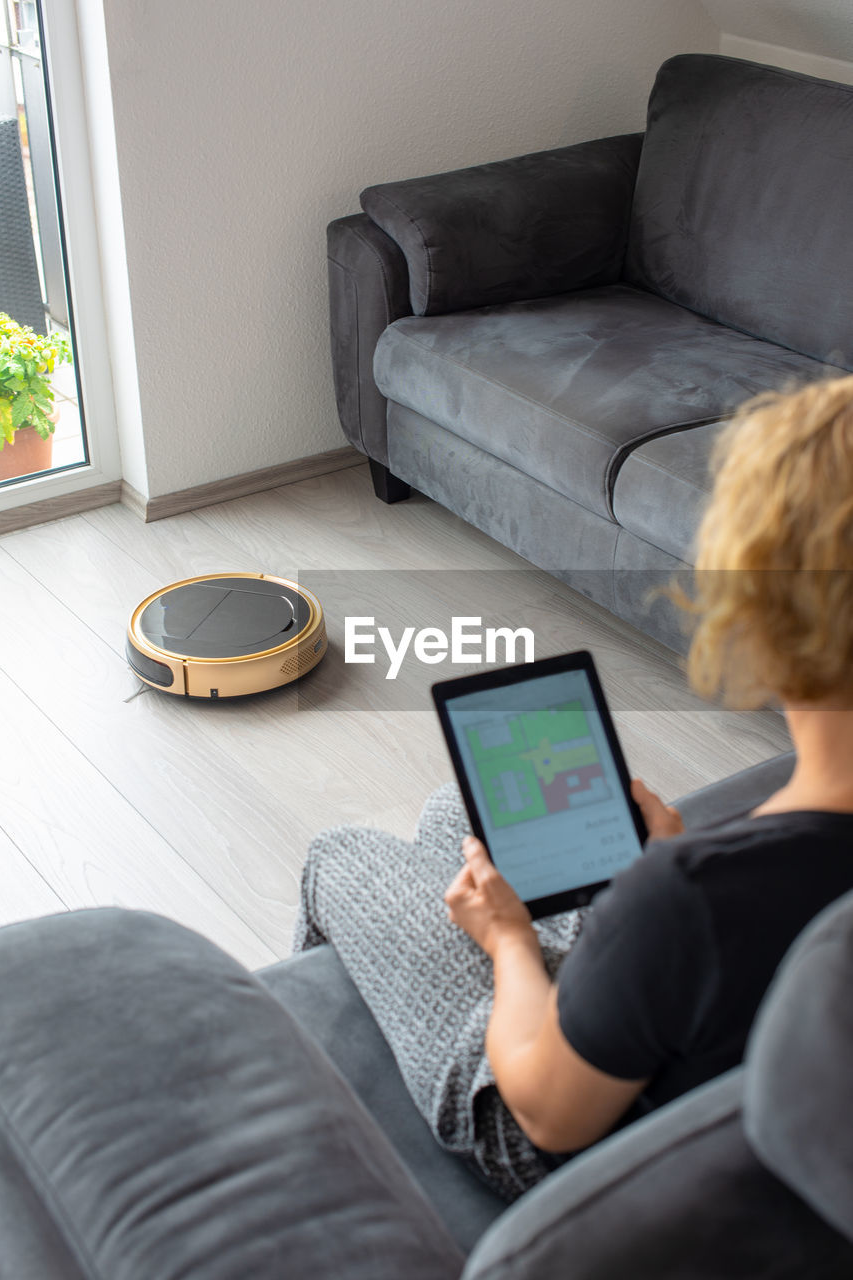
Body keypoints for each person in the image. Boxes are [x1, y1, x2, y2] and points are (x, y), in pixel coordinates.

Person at [294, 375, 853, 1202]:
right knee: (460, 816)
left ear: (768, 620)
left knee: (340, 854)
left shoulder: (688, 900)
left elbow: (550, 1113)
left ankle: (319, 1136)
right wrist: (670, 866)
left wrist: (512, 945)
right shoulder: (698, 885)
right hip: (685, 1018)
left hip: (565, 1133)